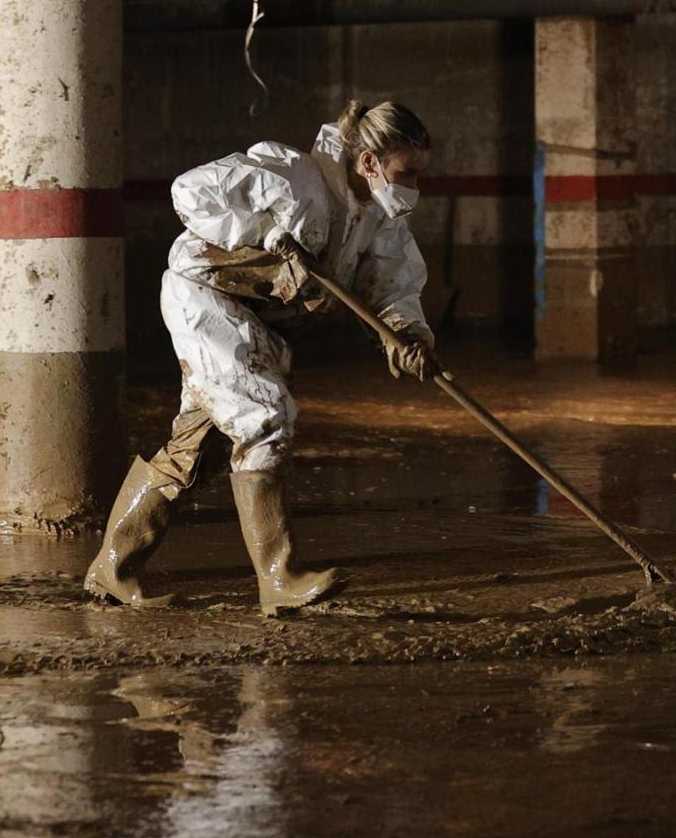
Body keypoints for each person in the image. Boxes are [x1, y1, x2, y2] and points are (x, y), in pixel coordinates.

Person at [83, 100, 438, 615]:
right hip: (206, 297)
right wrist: (263, 233)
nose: (412, 187)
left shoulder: (378, 220)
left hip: (257, 321)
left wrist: (407, 335)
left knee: (196, 448)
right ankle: (280, 577)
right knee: (263, 416)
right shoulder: (293, 176)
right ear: (369, 162)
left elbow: (394, 284)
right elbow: (189, 191)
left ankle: (112, 569)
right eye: (406, 173)